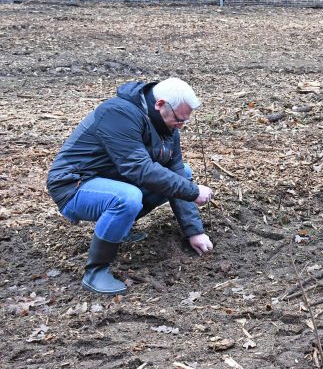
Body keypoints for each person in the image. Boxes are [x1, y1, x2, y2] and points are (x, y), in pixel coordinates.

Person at [47, 78, 214, 295]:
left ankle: (120, 229)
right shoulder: (118, 113)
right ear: (160, 104)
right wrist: (193, 192)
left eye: (185, 121)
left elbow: (177, 173)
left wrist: (195, 231)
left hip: (114, 181)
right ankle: (96, 271)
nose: (181, 126)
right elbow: (138, 169)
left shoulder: (167, 125)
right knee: (127, 197)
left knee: (184, 176)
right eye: (178, 119)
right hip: (74, 185)